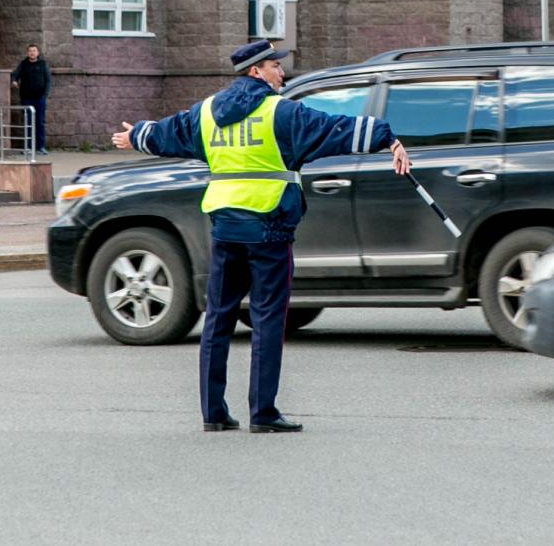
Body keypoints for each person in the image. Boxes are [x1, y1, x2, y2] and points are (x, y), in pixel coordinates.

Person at [111, 41, 410, 433]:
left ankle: (213, 413)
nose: (282, 73)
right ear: (255, 72)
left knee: (218, 318)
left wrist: (138, 136)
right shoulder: (280, 113)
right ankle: (263, 413)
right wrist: (387, 137)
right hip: (268, 226)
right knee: (268, 319)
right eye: (274, 66)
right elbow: (334, 128)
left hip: (225, 227)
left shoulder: (207, 113)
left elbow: (171, 132)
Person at [10, 43, 52, 155]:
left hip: (39, 98)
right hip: (26, 99)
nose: (32, 53)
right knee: (27, 123)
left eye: (34, 51)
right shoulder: (23, 64)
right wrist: (14, 80)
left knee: (40, 122)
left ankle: (40, 147)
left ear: (37, 53)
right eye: (30, 51)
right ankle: (27, 147)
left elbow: (48, 80)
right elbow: (15, 75)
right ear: (27, 53)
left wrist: (45, 94)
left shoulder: (43, 64)